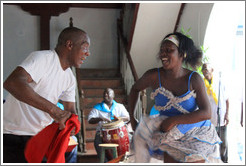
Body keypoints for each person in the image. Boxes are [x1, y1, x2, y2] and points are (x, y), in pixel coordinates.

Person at [128, 32, 222, 163]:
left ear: (182, 54)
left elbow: (206, 112)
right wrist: (132, 118)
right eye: (162, 51)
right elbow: (134, 89)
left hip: (195, 133)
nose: (163, 54)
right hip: (168, 135)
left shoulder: (194, 79)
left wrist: (174, 120)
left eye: (169, 50)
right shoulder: (154, 76)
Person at [3, 27, 90, 163]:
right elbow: (12, 83)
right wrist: (54, 111)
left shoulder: (69, 78)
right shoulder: (43, 58)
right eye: (85, 48)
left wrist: (71, 123)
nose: (88, 54)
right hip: (14, 135)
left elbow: (69, 109)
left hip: (41, 138)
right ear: (69, 45)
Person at [88, 88, 130, 162]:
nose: (105, 94)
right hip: (102, 133)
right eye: (104, 93)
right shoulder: (97, 108)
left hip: (119, 133)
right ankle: (106, 162)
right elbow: (90, 120)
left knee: (131, 139)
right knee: (97, 143)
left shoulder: (119, 106)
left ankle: (124, 160)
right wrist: (100, 118)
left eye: (108, 93)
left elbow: (127, 118)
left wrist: (118, 119)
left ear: (113, 96)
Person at [202, 63, 229, 163]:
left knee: (224, 143)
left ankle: (224, 160)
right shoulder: (202, 84)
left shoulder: (219, 82)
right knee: (211, 144)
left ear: (212, 70)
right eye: (203, 69)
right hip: (209, 120)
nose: (205, 70)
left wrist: (227, 115)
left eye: (207, 68)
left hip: (221, 118)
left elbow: (227, 100)